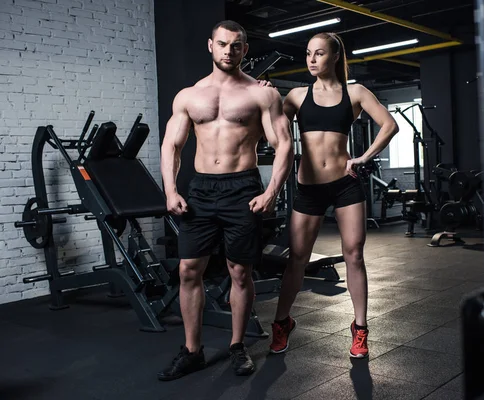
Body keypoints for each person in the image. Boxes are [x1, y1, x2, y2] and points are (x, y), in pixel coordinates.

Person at [158, 20, 293, 380]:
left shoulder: (262, 95)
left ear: (244, 50)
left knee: (240, 271)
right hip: (200, 189)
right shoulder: (189, 95)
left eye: (236, 46)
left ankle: (237, 346)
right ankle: (192, 350)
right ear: (210, 46)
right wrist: (171, 189)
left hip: (242, 189)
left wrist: (270, 191)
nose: (228, 51)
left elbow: (284, 146)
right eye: (222, 44)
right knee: (188, 270)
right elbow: (172, 145)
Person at [270, 32, 399, 358]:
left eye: (319, 54)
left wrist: (362, 157)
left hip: (345, 184)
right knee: (296, 259)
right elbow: (272, 130)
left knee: (354, 254)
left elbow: (389, 124)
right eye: (308, 53)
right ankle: (282, 322)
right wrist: (268, 98)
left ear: (335, 57)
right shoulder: (297, 96)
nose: (312, 59)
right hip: (309, 188)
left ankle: (359, 329)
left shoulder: (355, 92)